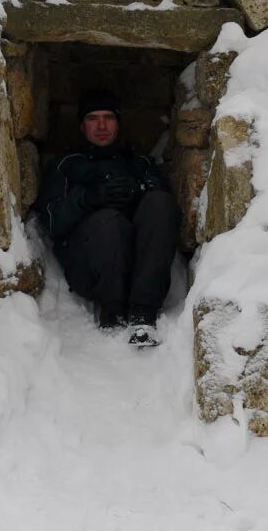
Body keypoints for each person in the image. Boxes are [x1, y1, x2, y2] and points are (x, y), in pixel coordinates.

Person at [35, 89, 180, 346]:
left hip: (139, 271)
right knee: (108, 221)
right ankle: (112, 311)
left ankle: (143, 312)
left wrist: (137, 193)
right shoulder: (66, 165)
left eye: (108, 117)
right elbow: (51, 220)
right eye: (93, 118)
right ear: (82, 125)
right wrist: (87, 198)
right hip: (91, 268)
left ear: (118, 123)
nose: (101, 125)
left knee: (159, 201)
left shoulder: (139, 163)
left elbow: (164, 216)